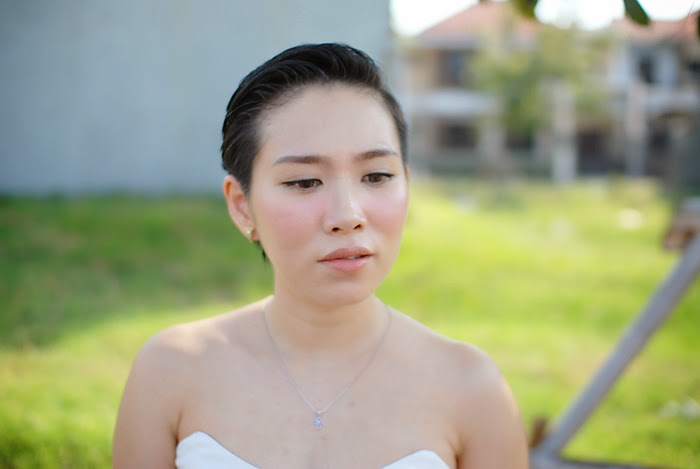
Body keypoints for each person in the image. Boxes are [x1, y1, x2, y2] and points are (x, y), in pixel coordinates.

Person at [113, 43, 529, 469]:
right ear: (242, 205)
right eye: (305, 182)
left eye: (376, 176)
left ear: (405, 184)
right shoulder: (170, 372)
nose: (348, 216)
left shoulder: (471, 388)